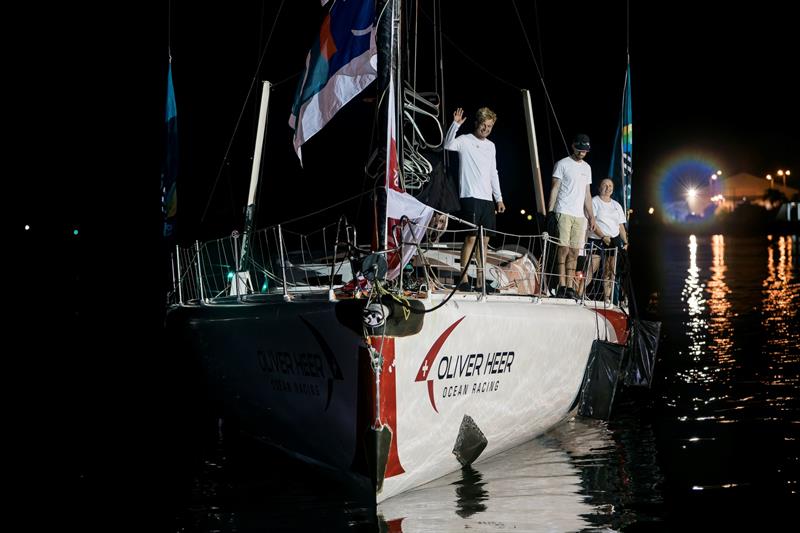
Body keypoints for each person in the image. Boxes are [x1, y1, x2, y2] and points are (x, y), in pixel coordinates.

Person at [445, 106, 506, 291]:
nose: (486, 129)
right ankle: (463, 280)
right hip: (470, 196)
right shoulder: (465, 140)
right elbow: (447, 145)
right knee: (471, 238)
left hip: (487, 200)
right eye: (484, 125)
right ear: (477, 123)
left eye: (490, 126)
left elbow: (493, 172)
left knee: (484, 241)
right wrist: (455, 125)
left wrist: (499, 198)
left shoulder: (491, 146)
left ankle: (481, 282)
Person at [547, 133, 596, 298]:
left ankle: (569, 286)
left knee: (575, 251)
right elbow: (554, 188)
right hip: (563, 210)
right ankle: (561, 284)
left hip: (579, 215)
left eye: (585, 150)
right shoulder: (562, 164)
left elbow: (587, 194)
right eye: (580, 149)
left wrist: (592, 216)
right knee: (563, 249)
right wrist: (550, 212)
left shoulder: (587, 168)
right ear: (573, 146)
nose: (582, 153)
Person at [586, 178, 628, 303]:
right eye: (605, 185)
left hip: (613, 240)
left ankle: (607, 299)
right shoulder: (594, 201)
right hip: (597, 239)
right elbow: (591, 221)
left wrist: (625, 242)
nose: (608, 187)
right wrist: (603, 236)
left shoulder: (617, 205)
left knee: (610, 271)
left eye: (610, 185)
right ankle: (579, 293)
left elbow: (620, 226)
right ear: (599, 187)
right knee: (591, 268)